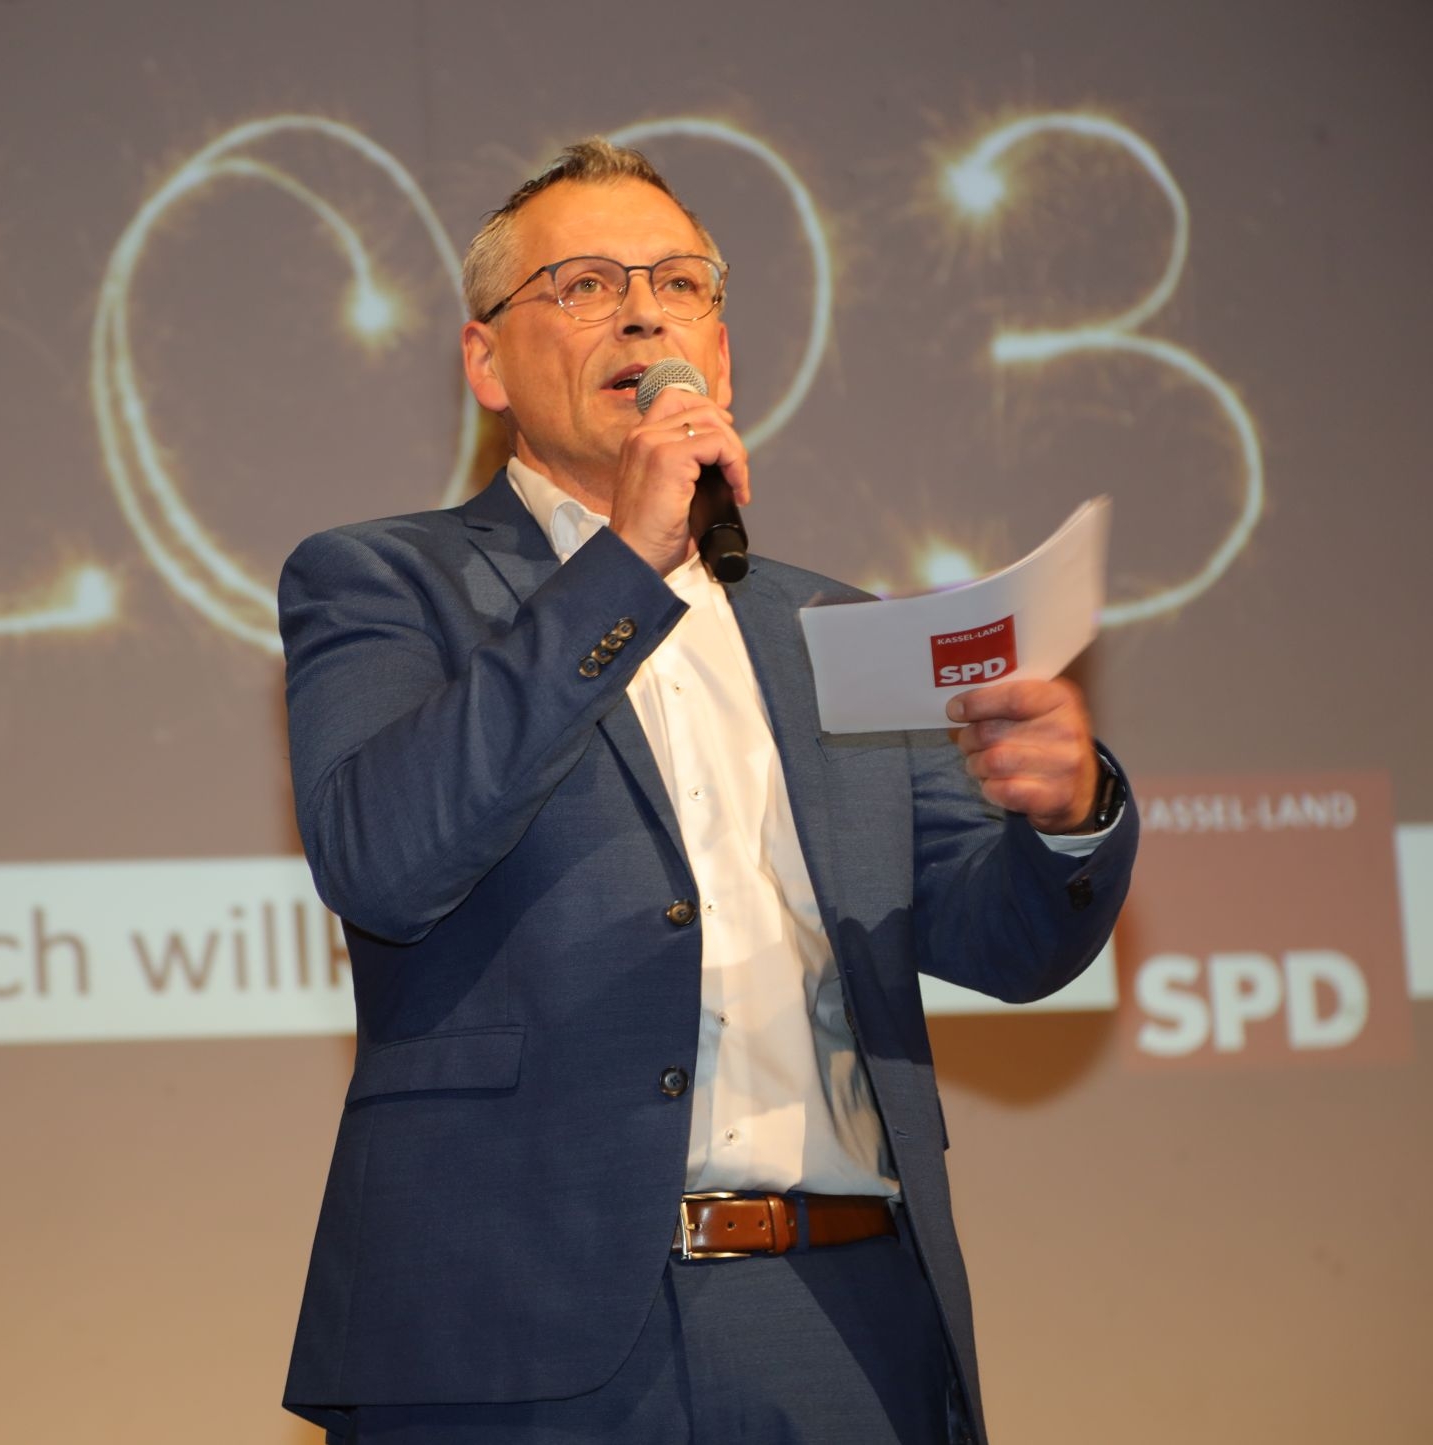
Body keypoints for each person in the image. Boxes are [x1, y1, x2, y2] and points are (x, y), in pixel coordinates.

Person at [278, 139, 1136, 1445]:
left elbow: (1003, 942)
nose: (642, 313)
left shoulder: (831, 628)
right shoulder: (381, 583)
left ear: (718, 359)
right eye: (584, 285)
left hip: (841, 1317)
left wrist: (1065, 815)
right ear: (487, 364)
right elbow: (382, 860)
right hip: (517, 1337)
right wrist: (623, 566)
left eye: (677, 283)